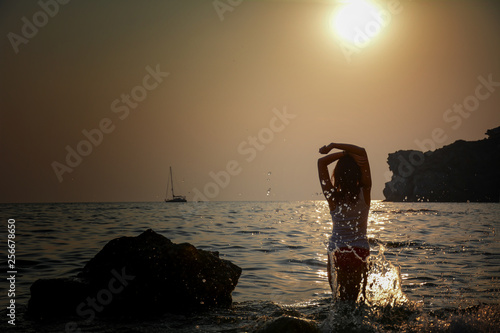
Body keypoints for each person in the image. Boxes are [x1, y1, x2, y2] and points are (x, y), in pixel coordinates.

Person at [317, 142, 371, 302]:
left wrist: (341, 153)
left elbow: (321, 163)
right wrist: (337, 146)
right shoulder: (365, 192)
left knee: (338, 302)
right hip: (359, 252)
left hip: (337, 252)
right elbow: (362, 151)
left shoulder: (332, 197)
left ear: (337, 175)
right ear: (357, 174)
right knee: (357, 302)